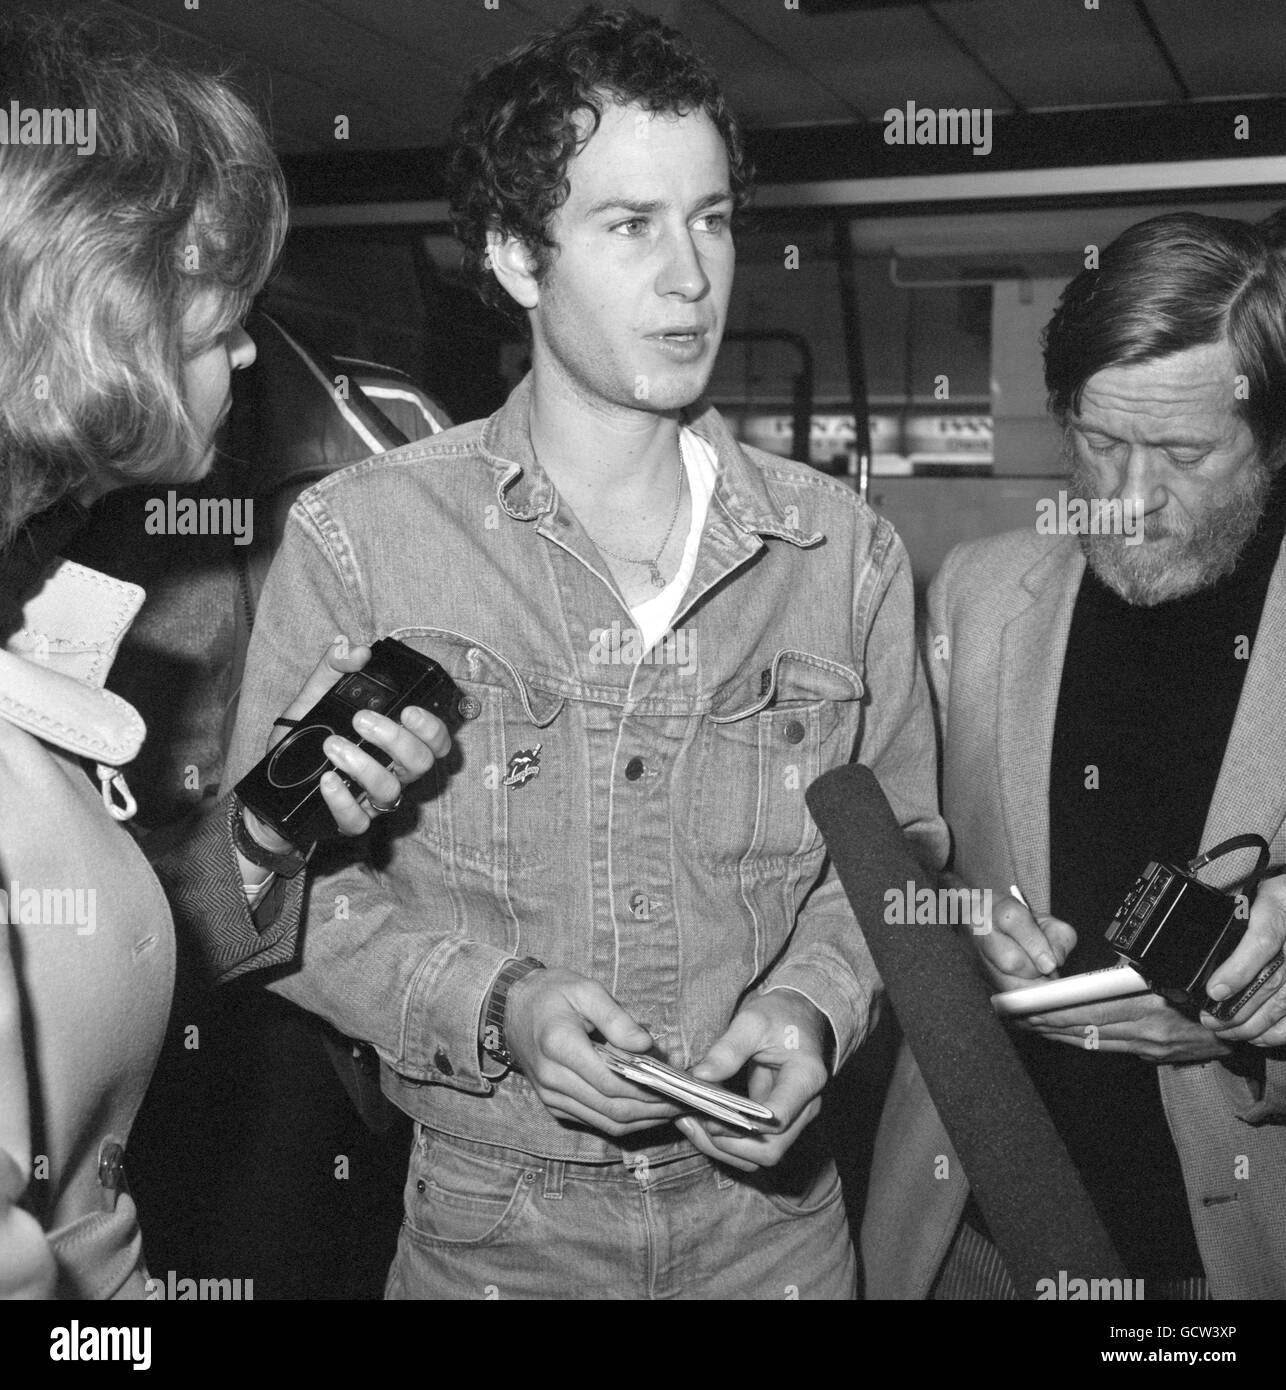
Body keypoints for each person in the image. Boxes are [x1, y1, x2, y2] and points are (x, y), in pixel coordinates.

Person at [226, 3, 945, 1301]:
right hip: (494, 1234)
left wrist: (812, 1009)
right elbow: (276, 901)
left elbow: (896, 864)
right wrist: (495, 1008)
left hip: (775, 1236)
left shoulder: (842, 553)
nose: (691, 277)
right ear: (513, 250)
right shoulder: (363, 541)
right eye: (630, 226)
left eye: (711, 219)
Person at [0, 15, 447, 1299]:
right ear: (77, 327)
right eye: (214, 321)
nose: (250, 353)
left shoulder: (48, 563)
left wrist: (262, 830)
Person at [863, 211, 1286, 1300]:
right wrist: (952, 926)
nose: (1127, 494)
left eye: (1185, 453)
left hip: (1228, 1258)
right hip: (979, 1229)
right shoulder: (975, 590)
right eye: (1099, 441)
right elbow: (902, 856)